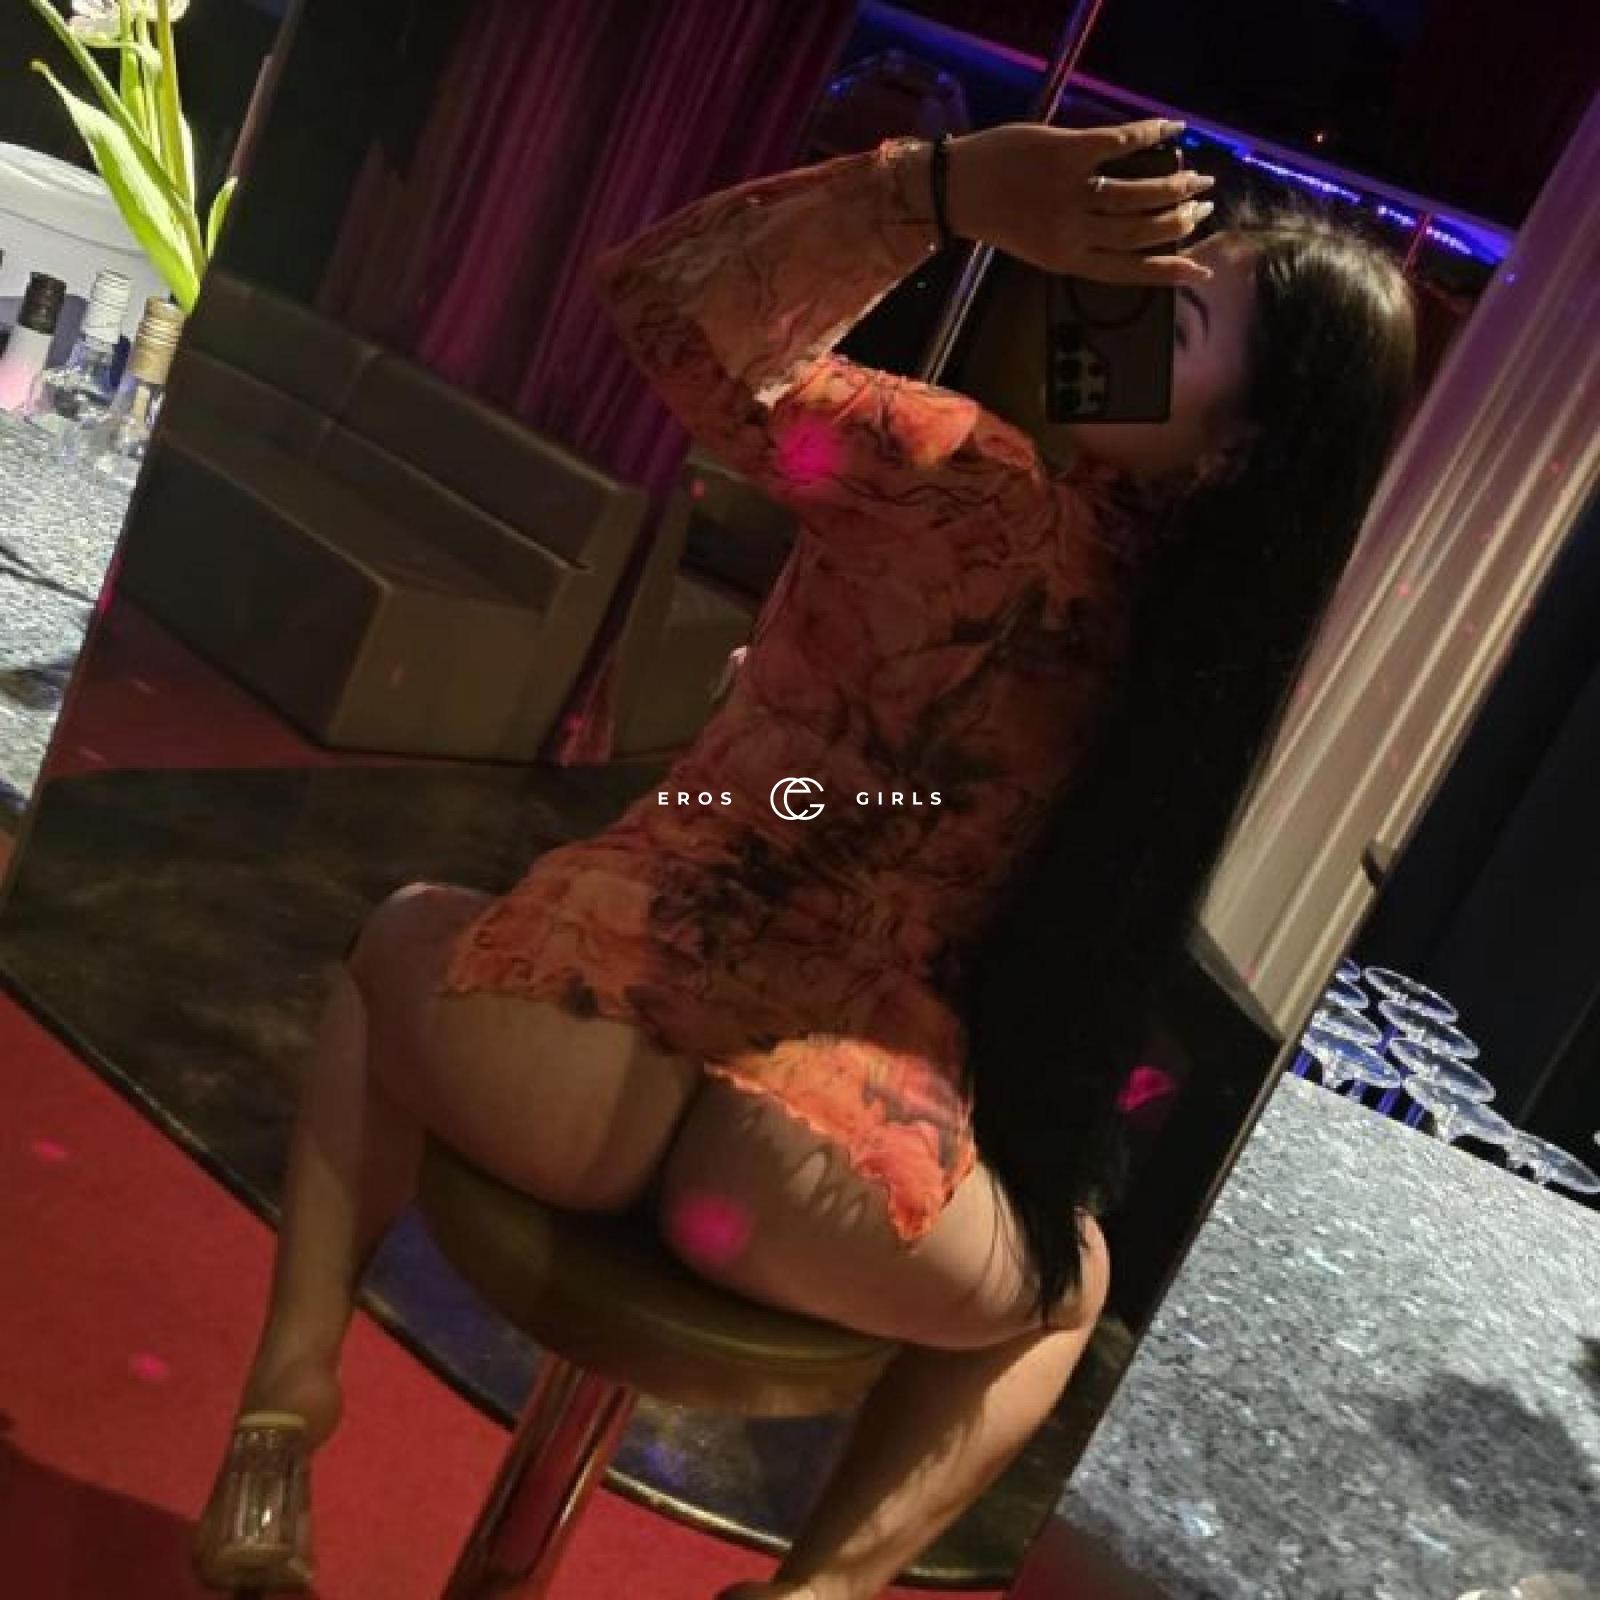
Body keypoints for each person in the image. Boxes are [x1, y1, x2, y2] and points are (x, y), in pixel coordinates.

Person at [193, 116, 1415, 1598]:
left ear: (1237, 449)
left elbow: (673, 310)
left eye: (1179, 311)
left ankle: (284, 1406)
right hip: (809, 1171)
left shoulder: (949, 473)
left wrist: (934, 191)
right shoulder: (1191, 690)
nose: (1118, 308)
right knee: (1069, 1283)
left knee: (397, 937)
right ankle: (815, 1594)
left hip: (575, 1046)